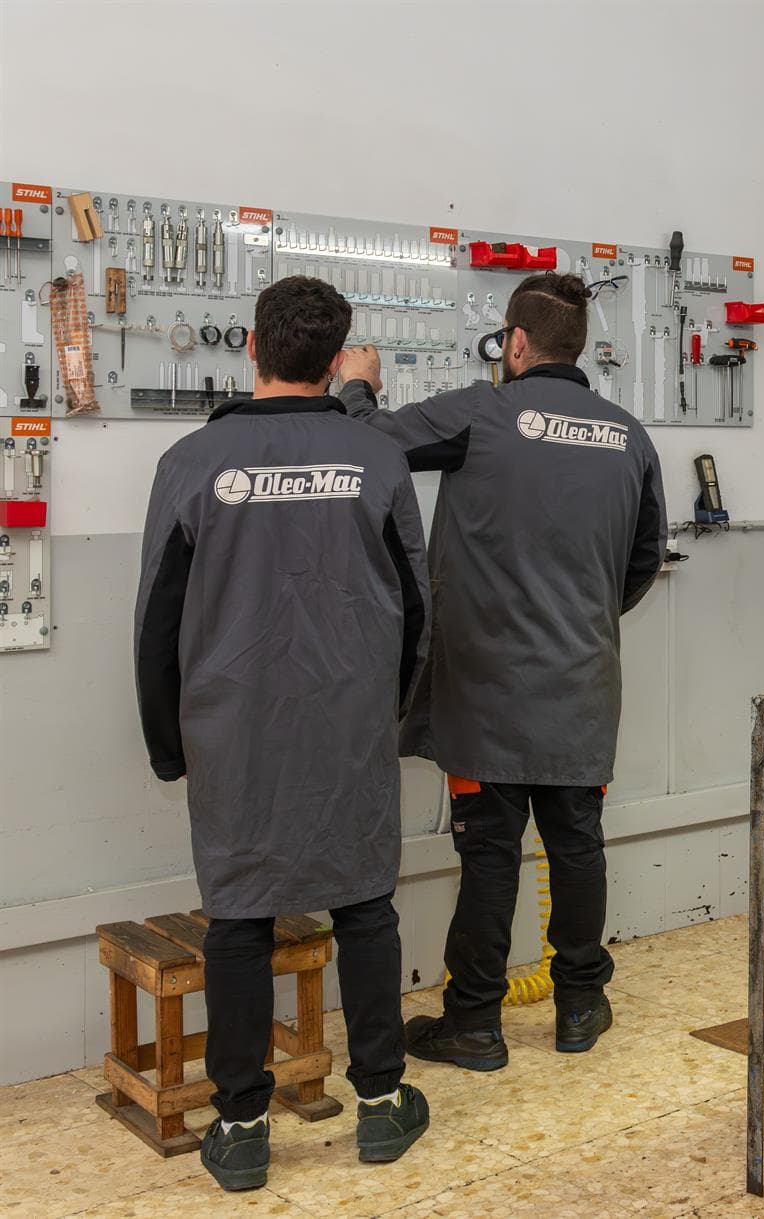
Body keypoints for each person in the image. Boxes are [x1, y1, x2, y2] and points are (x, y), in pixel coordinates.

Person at [134, 276, 432, 1192]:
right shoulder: (377, 461)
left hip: (234, 728)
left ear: (252, 349)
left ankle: (243, 1125)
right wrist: (392, 712)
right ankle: (382, 1106)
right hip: (347, 722)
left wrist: (168, 743)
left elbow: (156, 622)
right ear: (338, 359)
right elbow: (419, 606)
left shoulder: (191, 463)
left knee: (239, 914)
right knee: (364, 902)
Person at [334, 271, 667, 1070]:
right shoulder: (629, 436)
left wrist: (355, 387)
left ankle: (475, 1022)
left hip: (483, 689)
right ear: (575, 347)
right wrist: (580, 622)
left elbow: (370, 441)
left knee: (490, 851)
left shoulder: (481, 414)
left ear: (514, 345)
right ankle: (581, 1005)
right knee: (578, 842)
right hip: (582, 683)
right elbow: (644, 560)